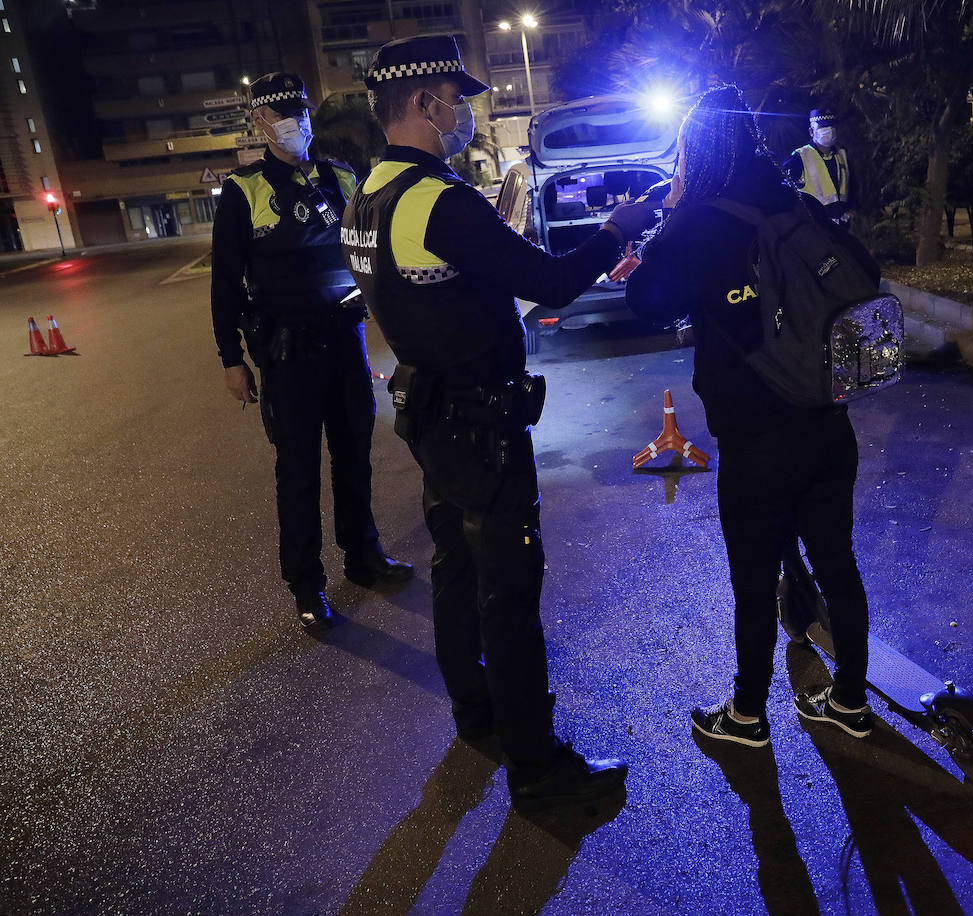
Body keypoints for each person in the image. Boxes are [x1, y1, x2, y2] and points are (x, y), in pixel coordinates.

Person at [339, 35, 657, 811]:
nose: (467, 113)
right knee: (507, 594)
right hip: (478, 425)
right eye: (460, 97)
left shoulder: (366, 197)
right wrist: (617, 230)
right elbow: (548, 280)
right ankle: (539, 771)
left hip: (429, 414)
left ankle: (476, 714)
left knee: (456, 568)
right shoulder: (437, 201)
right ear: (422, 102)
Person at [625, 85, 879, 747]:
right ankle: (849, 702)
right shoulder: (793, 204)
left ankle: (746, 716)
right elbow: (865, 272)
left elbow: (646, 299)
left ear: (695, 151)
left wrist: (667, 217)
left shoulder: (697, 220)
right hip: (828, 420)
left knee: (752, 578)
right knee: (838, 562)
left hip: (757, 437)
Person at [211, 71, 413, 630]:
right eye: (279, 113)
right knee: (297, 472)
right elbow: (225, 282)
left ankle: (364, 557)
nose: (293, 122)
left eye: (299, 111)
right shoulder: (243, 190)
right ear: (258, 121)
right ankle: (307, 584)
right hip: (287, 351)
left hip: (344, 342)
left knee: (354, 458)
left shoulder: (341, 178)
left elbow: (369, 247)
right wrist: (232, 359)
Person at [782, 107, 854, 228]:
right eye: (822, 127)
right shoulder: (800, 156)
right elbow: (785, 192)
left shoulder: (842, 153)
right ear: (811, 131)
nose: (829, 130)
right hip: (815, 230)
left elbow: (851, 185)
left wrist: (852, 208)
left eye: (831, 126)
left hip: (842, 228)